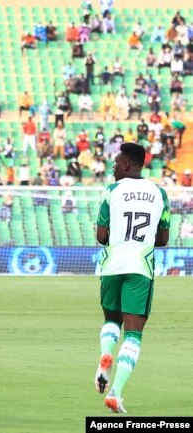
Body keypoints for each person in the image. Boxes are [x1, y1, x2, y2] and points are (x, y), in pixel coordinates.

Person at [94, 143, 170, 413]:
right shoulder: (160, 193)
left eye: (116, 163)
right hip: (140, 268)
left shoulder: (111, 191)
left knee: (111, 320)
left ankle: (105, 354)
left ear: (126, 165)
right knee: (134, 334)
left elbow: (101, 237)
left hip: (112, 266)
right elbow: (163, 238)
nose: (113, 167)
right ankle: (115, 392)